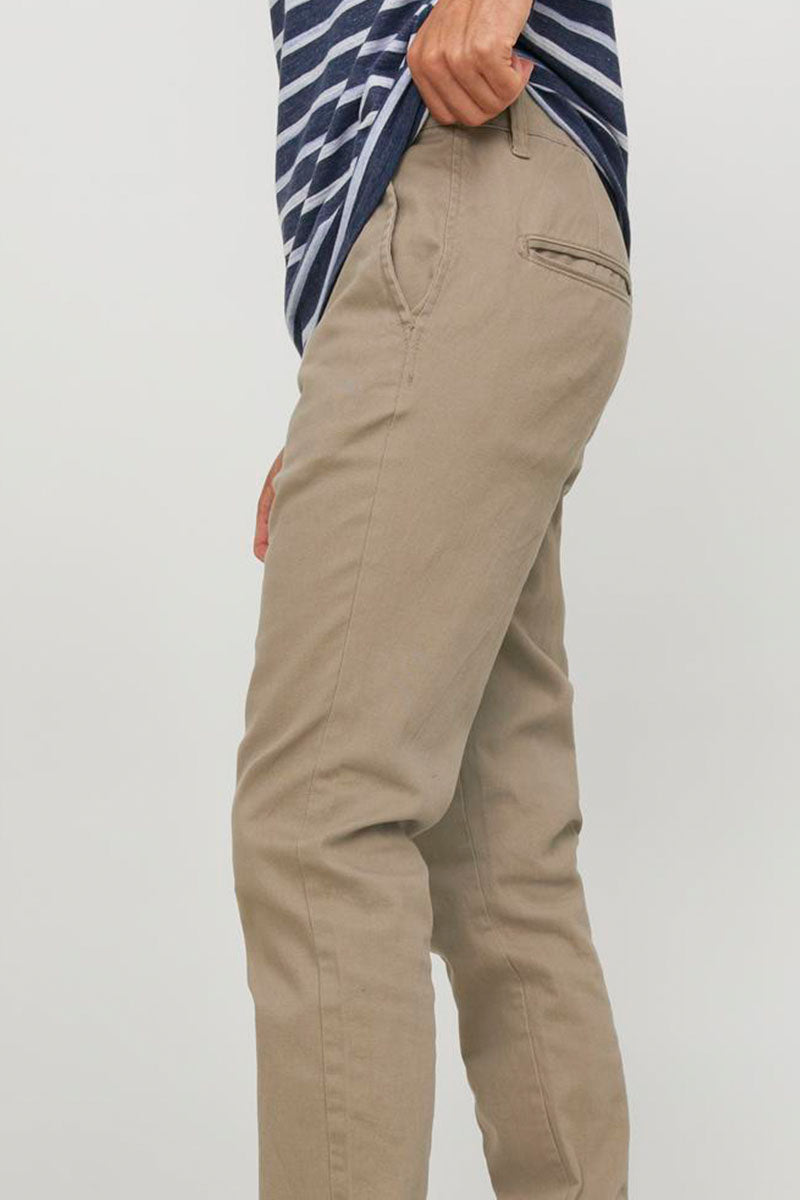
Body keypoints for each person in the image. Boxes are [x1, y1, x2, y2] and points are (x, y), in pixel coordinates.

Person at [232, 0, 632, 1196]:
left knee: (321, 817)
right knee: (502, 866)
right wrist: (357, 371)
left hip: (465, 170)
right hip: (478, 245)